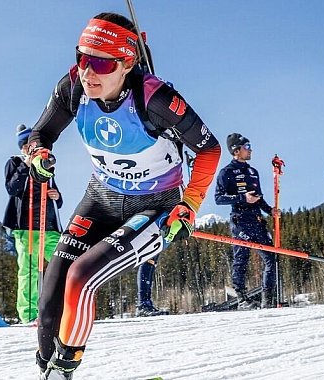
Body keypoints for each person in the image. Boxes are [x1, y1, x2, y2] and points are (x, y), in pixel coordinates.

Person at [26, 12, 221, 379]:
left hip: (155, 206)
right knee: (51, 291)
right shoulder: (72, 87)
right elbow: (39, 134)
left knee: (81, 279)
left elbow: (209, 150)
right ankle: (46, 372)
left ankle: (63, 371)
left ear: (127, 62)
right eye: (82, 58)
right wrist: (38, 154)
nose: (88, 72)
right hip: (101, 198)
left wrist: (190, 204)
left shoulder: (156, 99)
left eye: (100, 62)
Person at [2, 124, 64, 324]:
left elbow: (56, 194)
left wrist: (57, 196)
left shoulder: (46, 164)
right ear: (23, 147)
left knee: (61, 264)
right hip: (25, 226)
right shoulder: (15, 163)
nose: (32, 147)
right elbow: (12, 189)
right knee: (28, 271)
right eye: (28, 144)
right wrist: (26, 166)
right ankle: (28, 314)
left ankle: (61, 309)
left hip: (49, 226)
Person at [214, 133, 276, 308]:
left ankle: (267, 300)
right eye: (246, 146)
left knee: (271, 258)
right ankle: (242, 298)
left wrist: (270, 210)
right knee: (242, 258)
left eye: (249, 146)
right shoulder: (226, 172)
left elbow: (259, 198)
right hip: (240, 222)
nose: (250, 150)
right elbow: (218, 199)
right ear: (236, 151)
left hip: (257, 221)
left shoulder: (253, 172)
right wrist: (242, 198)